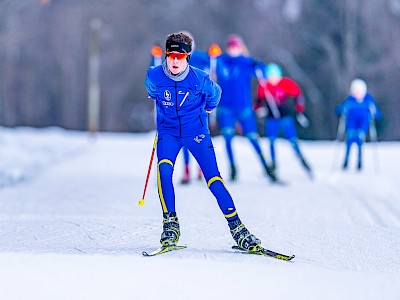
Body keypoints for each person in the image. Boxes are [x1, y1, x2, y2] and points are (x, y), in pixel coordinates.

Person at [145, 32, 261, 250]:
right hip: (169, 132)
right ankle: (170, 225)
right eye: (171, 56)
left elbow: (215, 95)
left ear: (188, 57)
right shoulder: (154, 76)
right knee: (164, 172)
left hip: (195, 131)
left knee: (213, 178)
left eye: (180, 56)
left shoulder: (200, 78)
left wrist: (206, 110)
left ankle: (238, 228)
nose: (175, 61)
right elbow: (152, 92)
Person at [214, 35, 276, 182]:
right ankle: (233, 168)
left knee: (252, 137)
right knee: (227, 138)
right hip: (226, 108)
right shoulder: (221, 61)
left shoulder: (246, 62)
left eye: (235, 47)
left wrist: (259, 65)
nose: (233, 50)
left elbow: (263, 74)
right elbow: (209, 68)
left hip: (244, 107)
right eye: (230, 47)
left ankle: (266, 167)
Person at [254, 63, 312, 178]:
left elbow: (298, 95)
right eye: (270, 76)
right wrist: (258, 109)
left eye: (275, 75)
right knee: (271, 141)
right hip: (271, 118)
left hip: (285, 116)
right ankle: (273, 166)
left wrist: (299, 110)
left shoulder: (285, 83)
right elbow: (258, 101)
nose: (273, 78)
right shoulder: (263, 86)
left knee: (292, 140)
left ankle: (302, 160)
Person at [335, 78, 382, 170]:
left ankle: (359, 162)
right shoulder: (349, 100)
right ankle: (346, 161)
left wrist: (374, 111)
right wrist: (343, 109)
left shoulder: (368, 100)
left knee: (360, 141)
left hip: (362, 125)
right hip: (351, 125)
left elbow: (378, 114)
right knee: (350, 141)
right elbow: (338, 110)